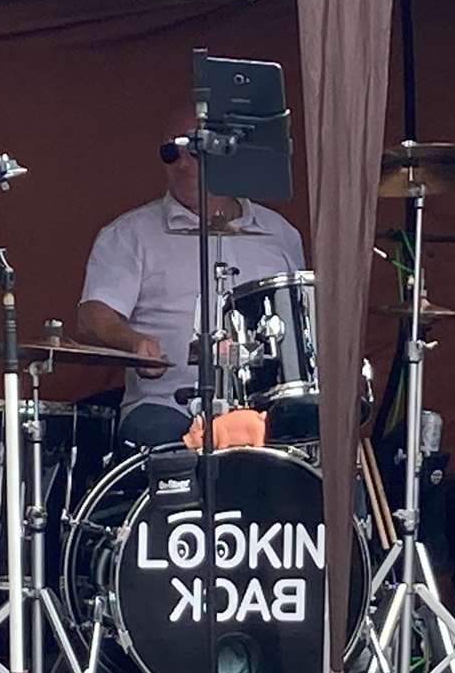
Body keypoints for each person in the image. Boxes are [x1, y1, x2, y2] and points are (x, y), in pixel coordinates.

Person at [75, 105, 305, 448]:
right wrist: (132, 341)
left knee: (322, 449)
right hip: (166, 405)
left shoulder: (280, 234)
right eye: (171, 152)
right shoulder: (129, 233)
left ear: (228, 153)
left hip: (261, 410)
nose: (181, 164)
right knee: (171, 443)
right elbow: (92, 315)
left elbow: (302, 323)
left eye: (194, 151)